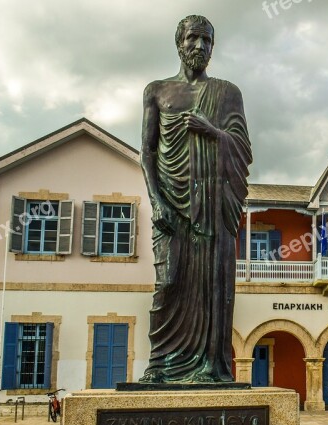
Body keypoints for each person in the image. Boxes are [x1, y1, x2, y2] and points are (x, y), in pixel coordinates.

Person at [139, 15, 252, 383]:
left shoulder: (228, 92)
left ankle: (210, 366)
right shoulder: (157, 91)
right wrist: (157, 201)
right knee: (167, 284)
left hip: (212, 210)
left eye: (207, 41)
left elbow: (242, 148)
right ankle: (159, 365)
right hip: (170, 208)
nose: (200, 47)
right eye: (193, 39)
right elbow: (147, 152)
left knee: (211, 288)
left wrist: (212, 131)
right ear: (179, 43)